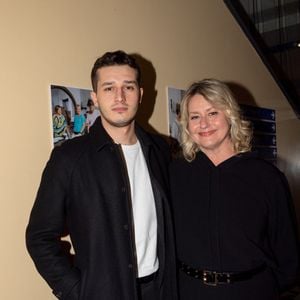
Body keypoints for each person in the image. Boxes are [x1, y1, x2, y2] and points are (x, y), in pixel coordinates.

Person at [26, 50, 177, 300]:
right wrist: (77, 291)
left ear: (140, 94)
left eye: (128, 87)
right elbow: (39, 237)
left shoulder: (159, 150)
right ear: (95, 98)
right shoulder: (69, 158)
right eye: (109, 88)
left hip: (159, 289)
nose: (119, 96)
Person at [169, 78, 299, 300]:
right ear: (187, 125)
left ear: (230, 115)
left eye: (212, 113)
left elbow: (288, 254)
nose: (204, 124)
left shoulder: (267, 178)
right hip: (190, 291)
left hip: (252, 291)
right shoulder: (174, 173)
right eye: (195, 117)